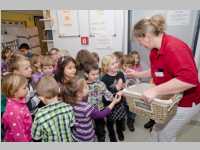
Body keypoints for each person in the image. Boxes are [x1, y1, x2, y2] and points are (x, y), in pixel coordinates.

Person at [126, 14, 200, 142]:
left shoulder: (174, 48)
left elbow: (189, 80)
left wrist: (156, 90)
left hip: (185, 102)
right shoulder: (155, 51)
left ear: (147, 36)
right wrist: (136, 74)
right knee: (157, 130)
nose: (139, 44)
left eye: (139, 40)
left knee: (166, 135)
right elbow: (157, 71)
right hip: (170, 100)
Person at [62, 77, 122, 142]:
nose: (88, 87)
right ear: (79, 94)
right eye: (85, 87)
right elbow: (101, 114)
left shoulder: (68, 103)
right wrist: (114, 102)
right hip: (86, 136)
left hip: (76, 135)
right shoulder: (86, 107)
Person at [32, 75, 75, 142]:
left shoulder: (40, 115)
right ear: (59, 90)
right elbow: (72, 126)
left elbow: (36, 137)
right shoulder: (68, 107)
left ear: (41, 98)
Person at [101, 55, 127, 141]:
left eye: (116, 62)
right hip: (110, 105)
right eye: (112, 64)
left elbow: (124, 86)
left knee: (120, 120)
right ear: (106, 67)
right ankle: (112, 136)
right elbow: (105, 96)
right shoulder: (104, 79)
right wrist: (116, 88)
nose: (116, 64)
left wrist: (123, 90)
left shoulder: (120, 74)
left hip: (120, 103)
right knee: (110, 122)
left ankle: (119, 132)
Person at [2, 73, 32, 142]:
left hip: (27, 134)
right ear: (13, 92)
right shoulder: (14, 112)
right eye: (24, 88)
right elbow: (19, 135)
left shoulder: (18, 100)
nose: (27, 89)